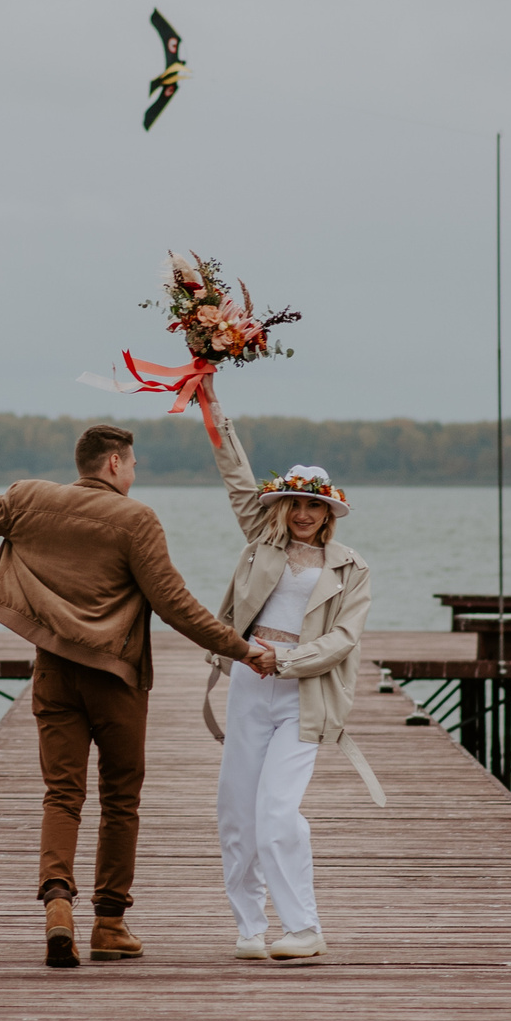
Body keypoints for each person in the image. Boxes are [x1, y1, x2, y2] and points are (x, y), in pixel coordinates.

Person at [0, 425, 273, 968]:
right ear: (113, 463)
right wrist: (242, 649)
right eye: (132, 465)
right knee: (120, 798)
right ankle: (109, 924)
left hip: (55, 672)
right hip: (116, 680)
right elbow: (175, 604)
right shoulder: (136, 520)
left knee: (62, 794)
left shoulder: (28, 499)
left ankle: (57, 906)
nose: (134, 475)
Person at [204, 412, 373, 962]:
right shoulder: (261, 540)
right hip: (248, 686)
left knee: (277, 811)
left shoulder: (351, 569)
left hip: (304, 694)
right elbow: (235, 475)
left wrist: (285, 659)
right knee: (236, 811)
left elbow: (344, 639)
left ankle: (304, 927)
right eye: (294, 503)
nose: (302, 514)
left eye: (313, 505)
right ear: (281, 507)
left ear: (329, 511)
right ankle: (250, 927)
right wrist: (211, 407)